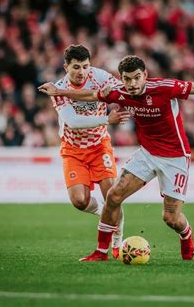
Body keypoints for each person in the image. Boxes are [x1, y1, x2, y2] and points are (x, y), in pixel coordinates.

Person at [38, 55, 194, 261]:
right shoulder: (121, 93)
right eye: (128, 79)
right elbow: (90, 95)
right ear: (122, 80)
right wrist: (59, 92)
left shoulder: (165, 87)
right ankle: (101, 251)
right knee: (114, 196)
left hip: (175, 157)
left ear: (145, 75)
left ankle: (187, 236)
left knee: (171, 218)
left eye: (137, 78)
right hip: (146, 154)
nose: (133, 84)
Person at [42, 45, 130, 259]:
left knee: (113, 197)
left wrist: (115, 93)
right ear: (66, 67)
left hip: (100, 146)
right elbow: (72, 121)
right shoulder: (59, 88)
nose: (81, 72)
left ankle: (117, 240)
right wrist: (107, 119)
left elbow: (121, 90)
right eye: (76, 67)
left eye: (85, 66)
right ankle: (105, 214)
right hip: (73, 149)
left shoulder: (99, 76)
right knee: (80, 201)